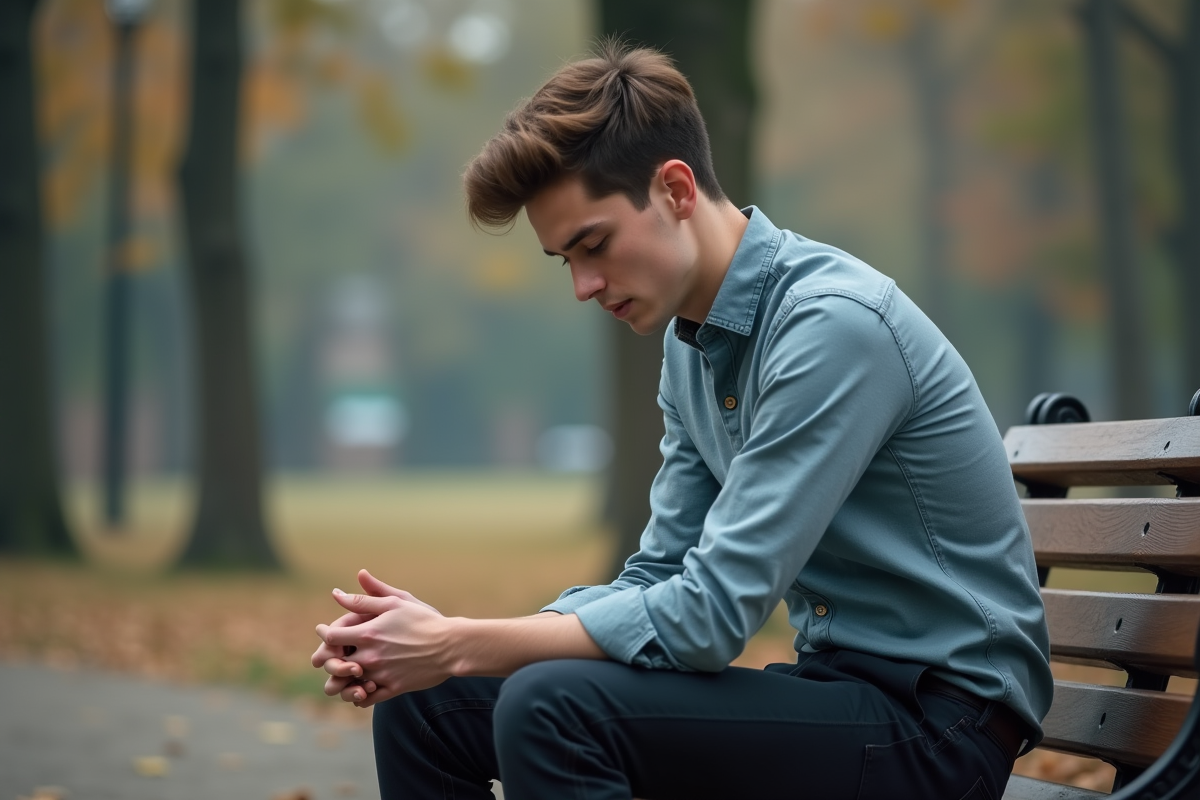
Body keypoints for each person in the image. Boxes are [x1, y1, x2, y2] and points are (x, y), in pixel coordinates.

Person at [311, 41, 1052, 800]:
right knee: (429, 708)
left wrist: (461, 643)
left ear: (674, 189)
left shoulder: (832, 329)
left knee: (550, 706)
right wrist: (441, 651)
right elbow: (659, 574)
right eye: (562, 259)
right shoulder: (691, 347)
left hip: (941, 731)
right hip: (839, 695)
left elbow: (707, 621)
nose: (583, 286)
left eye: (593, 245)